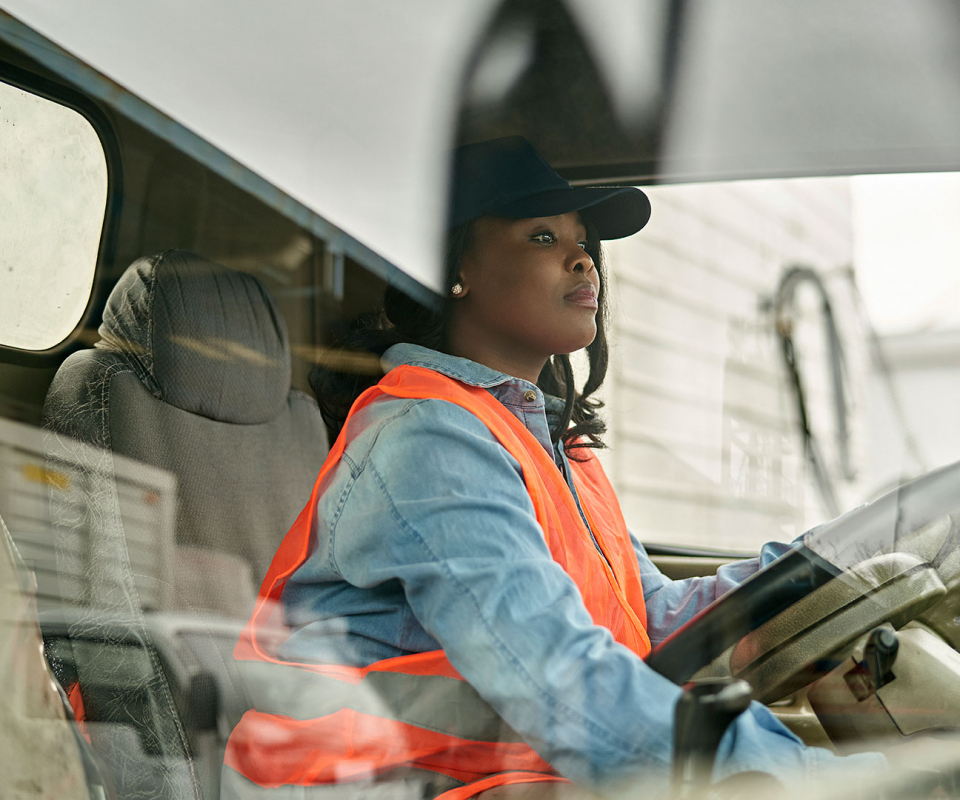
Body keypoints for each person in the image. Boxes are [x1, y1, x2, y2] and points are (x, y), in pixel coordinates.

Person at [221, 137, 886, 799]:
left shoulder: (555, 449)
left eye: (583, 239)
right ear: (456, 271)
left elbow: (648, 617)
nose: (583, 259)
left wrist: (839, 559)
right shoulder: (429, 439)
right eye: (543, 237)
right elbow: (559, 680)